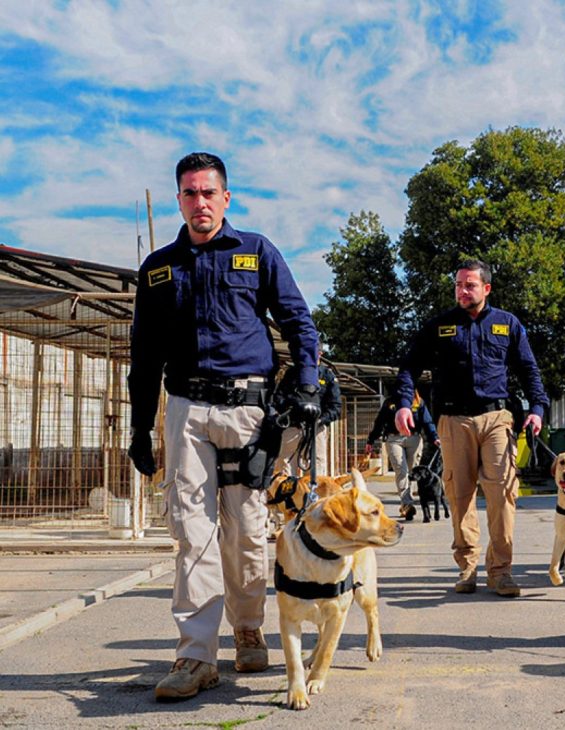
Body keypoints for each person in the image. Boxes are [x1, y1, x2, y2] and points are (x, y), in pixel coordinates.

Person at [127, 152, 320, 701]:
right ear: (179, 200)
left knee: (246, 527)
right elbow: (144, 355)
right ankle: (196, 656)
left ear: (226, 197)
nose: (200, 202)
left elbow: (299, 321)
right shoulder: (159, 268)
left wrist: (307, 385)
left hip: (248, 412)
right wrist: (140, 428)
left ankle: (248, 628)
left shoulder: (256, 252)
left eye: (208, 192)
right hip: (186, 410)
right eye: (190, 193)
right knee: (191, 529)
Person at [393, 259, 548, 598]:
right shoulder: (439, 326)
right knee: (459, 496)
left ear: (486, 288)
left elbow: (528, 369)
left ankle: (501, 571)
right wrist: (404, 403)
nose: (462, 291)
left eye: (470, 285)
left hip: (497, 418)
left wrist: (537, 408)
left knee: (502, 494)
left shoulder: (507, 324)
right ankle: (467, 567)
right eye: (458, 285)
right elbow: (409, 367)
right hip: (454, 420)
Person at [366, 392, 439, 521]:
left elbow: (427, 422)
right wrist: (371, 440)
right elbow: (380, 421)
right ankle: (407, 504)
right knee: (401, 470)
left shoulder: (418, 402)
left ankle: (405, 503)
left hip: (414, 438)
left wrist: (434, 437)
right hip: (394, 438)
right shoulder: (390, 402)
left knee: (411, 473)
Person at [274, 355, 342, 477]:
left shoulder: (327, 375)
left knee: (317, 469)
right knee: (284, 469)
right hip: (293, 426)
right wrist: (291, 408)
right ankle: (287, 489)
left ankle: (313, 489)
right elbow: (278, 397)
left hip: (317, 429)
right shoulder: (292, 372)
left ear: (320, 353)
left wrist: (321, 420)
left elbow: (335, 407)